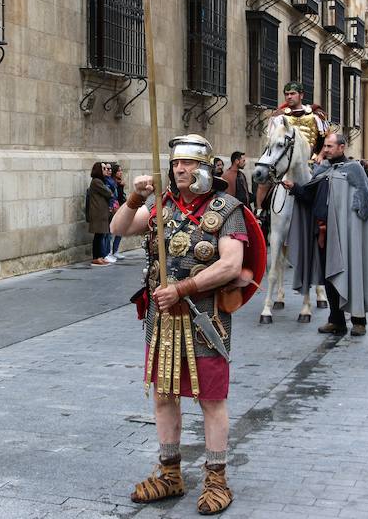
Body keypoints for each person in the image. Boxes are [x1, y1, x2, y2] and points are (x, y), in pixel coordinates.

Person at [111, 134, 254, 516]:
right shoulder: (163, 205)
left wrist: (183, 288)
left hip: (204, 319)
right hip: (162, 320)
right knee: (164, 396)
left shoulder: (227, 208)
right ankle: (170, 473)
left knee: (211, 400)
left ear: (204, 168)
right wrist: (135, 197)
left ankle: (216, 478)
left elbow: (230, 264)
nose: (179, 169)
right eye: (175, 163)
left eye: (187, 163)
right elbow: (118, 228)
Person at [286, 133, 368, 337]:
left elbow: (365, 201)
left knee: (353, 273)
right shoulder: (322, 170)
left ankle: (359, 321)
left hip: (347, 235)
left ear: (342, 147)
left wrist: (355, 221)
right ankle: (336, 321)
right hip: (323, 234)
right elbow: (310, 198)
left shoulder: (354, 169)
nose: (326, 150)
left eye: (330, 146)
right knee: (330, 277)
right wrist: (295, 188)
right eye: (325, 146)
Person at [255, 82, 328, 210]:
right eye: (287, 94)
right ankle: (260, 212)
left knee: (328, 182)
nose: (289, 97)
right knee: (264, 181)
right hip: (286, 160)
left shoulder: (316, 115)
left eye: (293, 94)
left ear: (301, 95)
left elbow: (327, 138)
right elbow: (272, 141)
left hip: (312, 160)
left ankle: (328, 213)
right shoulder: (279, 117)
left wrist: (321, 155)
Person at [87, 162, 113, 266]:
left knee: (101, 235)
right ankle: (96, 257)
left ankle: (100, 256)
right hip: (98, 213)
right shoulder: (96, 181)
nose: (105, 170)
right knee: (98, 236)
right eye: (103, 169)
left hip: (101, 213)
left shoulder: (100, 181)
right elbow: (109, 193)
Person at [107, 163, 128, 260]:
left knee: (120, 230)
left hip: (120, 208)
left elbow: (121, 196)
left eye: (121, 170)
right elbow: (114, 197)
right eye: (118, 171)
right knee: (111, 231)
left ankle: (115, 251)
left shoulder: (119, 183)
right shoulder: (112, 183)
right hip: (114, 208)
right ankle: (109, 252)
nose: (121, 172)